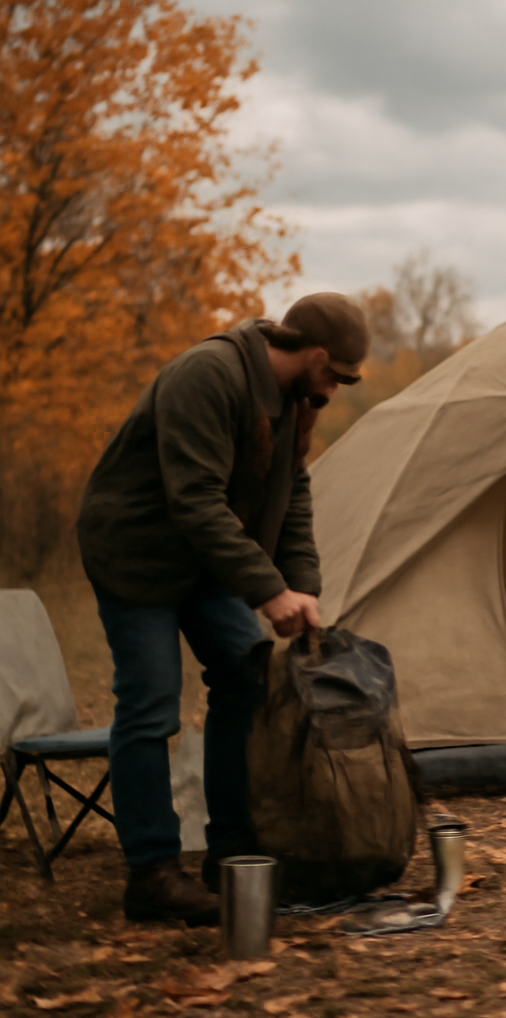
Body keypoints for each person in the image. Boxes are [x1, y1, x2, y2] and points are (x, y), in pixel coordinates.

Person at [76, 293, 370, 923]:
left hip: (204, 560)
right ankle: (151, 874)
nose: (337, 389)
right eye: (339, 376)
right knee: (152, 703)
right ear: (317, 356)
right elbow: (196, 502)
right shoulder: (207, 376)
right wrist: (268, 590)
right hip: (137, 553)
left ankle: (233, 853)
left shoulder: (292, 403)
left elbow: (291, 496)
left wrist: (303, 584)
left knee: (248, 678)